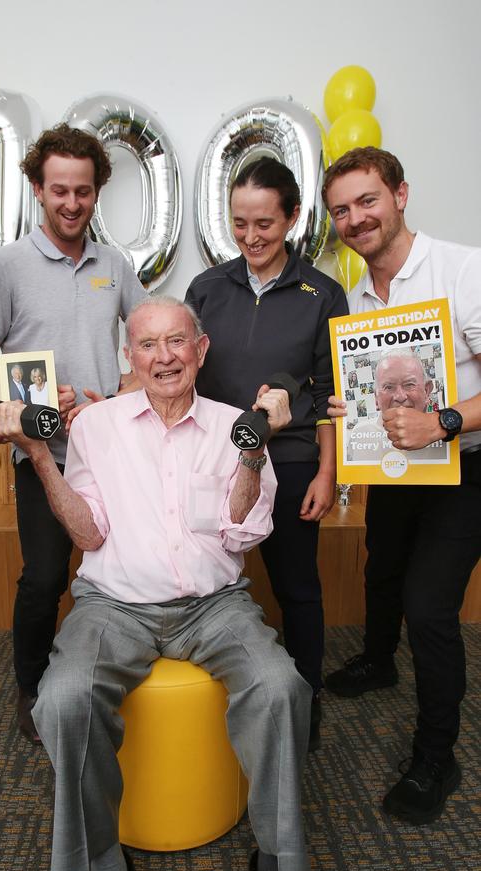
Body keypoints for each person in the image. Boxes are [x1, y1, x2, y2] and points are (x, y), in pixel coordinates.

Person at [0, 297, 349, 871]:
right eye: (148, 344)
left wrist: (251, 452)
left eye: (176, 341)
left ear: (201, 348)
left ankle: (282, 867)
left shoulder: (234, 426)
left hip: (214, 606)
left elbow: (242, 532)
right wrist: (38, 456)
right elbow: (88, 537)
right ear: (131, 356)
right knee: (61, 700)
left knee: (281, 685)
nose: (164, 356)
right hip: (114, 605)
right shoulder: (94, 428)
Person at [0, 124, 146, 744]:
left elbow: (147, 348)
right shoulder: (2, 266)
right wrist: (31, 403)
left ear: (98, 193)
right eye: (60, 191)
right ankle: (31, 686)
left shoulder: (115, 265)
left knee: (118, 572)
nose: (73, 204)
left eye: (85, 192)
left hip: (109, 454)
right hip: (40, 456)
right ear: (38, 189)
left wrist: (119, 392)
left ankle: (116, 677)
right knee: (44, 577)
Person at [322, 146, 481, 824]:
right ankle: (379, 661)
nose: (355, 219)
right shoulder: (359, 295)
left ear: (400, 195)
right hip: (398, 466)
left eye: (367, 200)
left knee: (429, 605)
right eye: (341, 210)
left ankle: (436, 757)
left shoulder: (463, 269)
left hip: (468, 466)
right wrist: (351, 413)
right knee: (381, 567)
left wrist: (442, 421)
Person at [185, 158, 349, 750]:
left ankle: (303, 702)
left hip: (295, 457)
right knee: (206, 584)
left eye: (265, 224)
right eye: (239, 224)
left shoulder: (323, 294)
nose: (251, 237)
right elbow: (184, 373)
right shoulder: (206, 287)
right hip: (214, 458)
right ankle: (211, 705)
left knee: (296, 587)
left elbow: (331, 392)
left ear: (293, 218)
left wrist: (327, 473)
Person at [345, 349, 446, 462]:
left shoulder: (446, 434)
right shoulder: (360, 434)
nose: (400, 396)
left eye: (409, 385)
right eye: (389, 387)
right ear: (376, 398)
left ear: (426, 391)